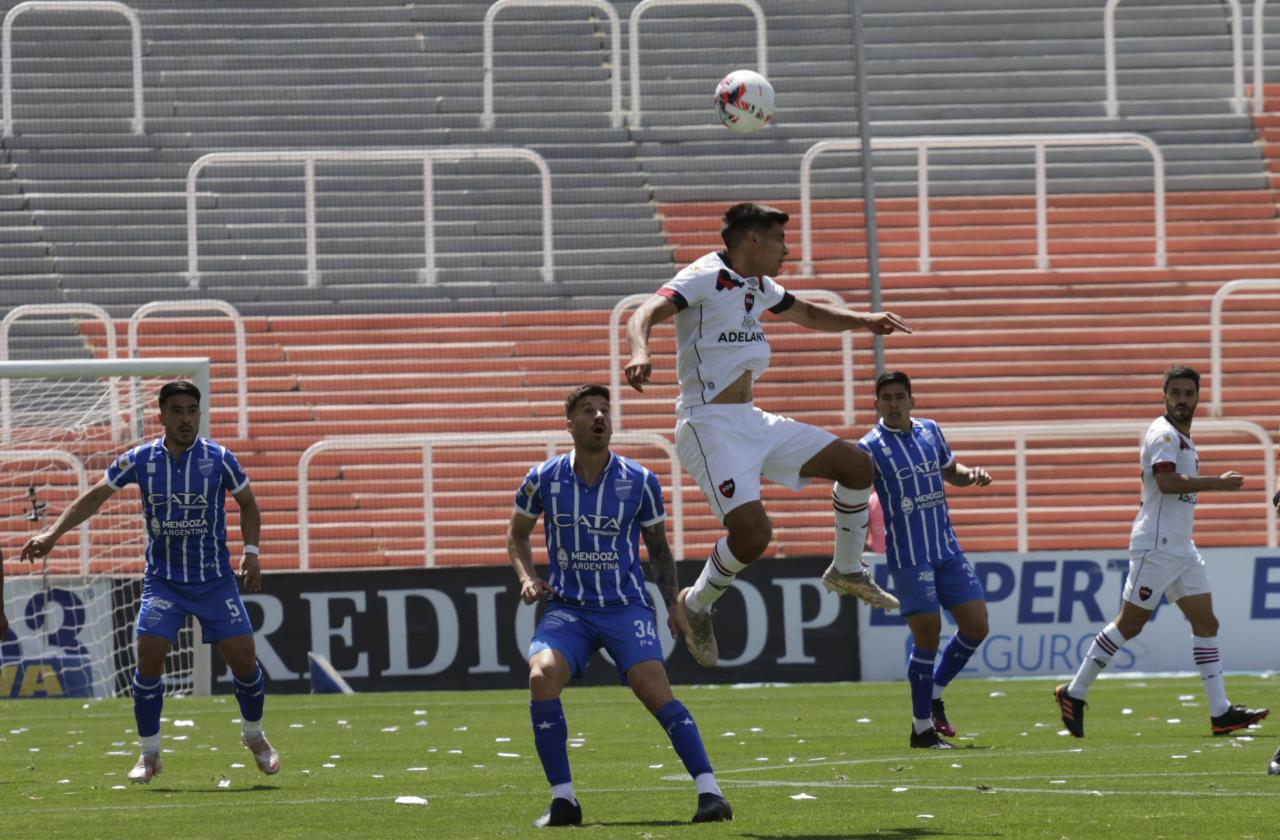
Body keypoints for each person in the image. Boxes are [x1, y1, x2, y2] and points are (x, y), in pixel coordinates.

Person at [624, 202, 912, 667]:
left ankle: (847, 568)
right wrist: (640, 351)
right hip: (708, 424)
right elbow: (644, 313)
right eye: (779, 239)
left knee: (857, 466)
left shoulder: (759, 285)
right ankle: (695, 604)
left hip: (751, 420)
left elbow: (810, 314)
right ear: (753, 239)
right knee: (754, 535)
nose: (787, 248)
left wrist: (864, 320)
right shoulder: (704, 275)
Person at [20, 380, 278, 782]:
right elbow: (94, 496)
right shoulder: (139, 460)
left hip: (214, 581)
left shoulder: (219, 459)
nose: (186, 418)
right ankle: (150, 753)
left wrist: (252, 551)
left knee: (244, 660)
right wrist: (52, 535)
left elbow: (248, 503)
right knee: (150, 657)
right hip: (164, 582)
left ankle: (254, 735)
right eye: (177, 411)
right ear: (162, 416)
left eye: (192, 410)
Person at [507, 384, 732, 827]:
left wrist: (672, 604)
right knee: (541, 675)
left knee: (653, 689)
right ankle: (564, 802)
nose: (599, 417)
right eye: (588, 410)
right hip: (568, 608)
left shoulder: (641, 480)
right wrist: (527, 576)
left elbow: (659, 549)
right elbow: (517, 534)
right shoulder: (543, 478)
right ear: (569, 423)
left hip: (625, 606)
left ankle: (710, 793)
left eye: (605, 410)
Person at [1054, 365, 1268, 738]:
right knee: (1130, 624)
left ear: (1198, 396)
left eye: (1188, 393)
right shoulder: (1164, 435)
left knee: (1206, 622)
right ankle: (1074, 691)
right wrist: (1216, 483)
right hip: (1156, 545)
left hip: (1181, 546)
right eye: (1176, 393)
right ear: (1164, 396)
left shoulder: (1183, 436)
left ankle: (1220, 712)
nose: (1182, 400)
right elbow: (1167, 482)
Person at [858, 370, 991, 749]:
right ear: (877, 404)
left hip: (946, 548)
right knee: (928, 634)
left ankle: (933, 694)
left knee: (976, 625)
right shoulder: (868, 448)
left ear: (912, 401)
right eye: (887, 398)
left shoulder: (931, 430)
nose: (894, 403)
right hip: (909, 556)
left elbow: (952, 472)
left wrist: (972, 474)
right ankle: (921, 729)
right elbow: (851, 499)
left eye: (901, 397)